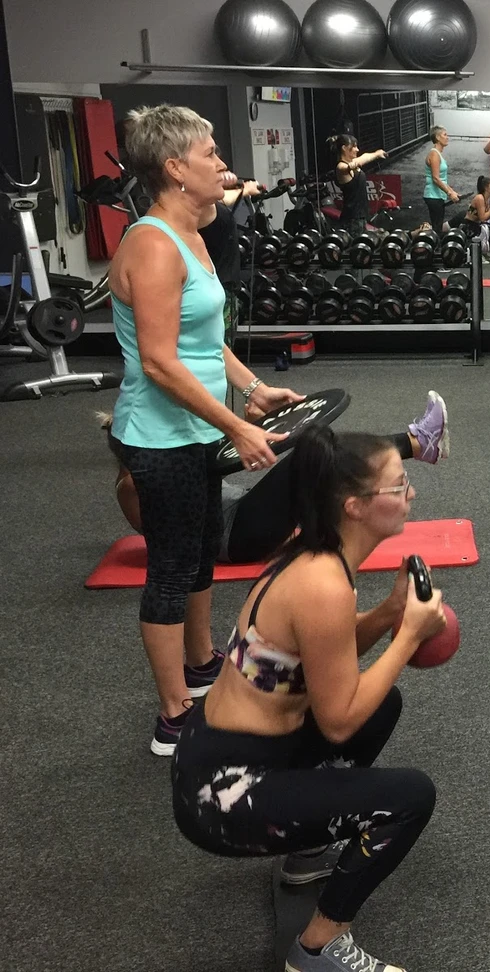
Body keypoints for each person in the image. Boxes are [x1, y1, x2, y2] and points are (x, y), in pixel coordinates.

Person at [171, 423, 445, 972]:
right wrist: (409, 638)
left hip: (231, 752)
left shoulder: (316, 555)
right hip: (221, 794)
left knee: (383, 705)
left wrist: (390, 613)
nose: (411, 493)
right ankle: (317, 948)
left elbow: (324, 658)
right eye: (399, 486)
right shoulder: (322, 585)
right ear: (355, 507)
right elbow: (339, 721)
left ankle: (306, 853)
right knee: (411, 797)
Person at [110, 104, 304, 757]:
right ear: (175, 168)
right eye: (210, 153)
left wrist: (251, 389)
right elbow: (160, 361)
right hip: (159, 436)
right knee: (170, 569)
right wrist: (236, 426)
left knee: (199, 553)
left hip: (196, 428)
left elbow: (201, 338)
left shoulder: (192, 232)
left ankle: (198, 664)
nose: (223, 164)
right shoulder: (152, 244)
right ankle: (172, 716)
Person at [104, 391, 448, 566]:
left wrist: (254, 425)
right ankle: (417, 443)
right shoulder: (132, 486)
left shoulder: (166, 464)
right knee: (310, 455)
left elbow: (215, 459)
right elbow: (178, 533)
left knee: (317, 466)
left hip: (242, 512)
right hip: (236, 539)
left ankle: (418, 444)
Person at [200, 173, 261, 342]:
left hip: (225, 286)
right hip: (217, 288)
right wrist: (244, 190)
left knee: (224, 346)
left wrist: (241, 189)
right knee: (219, 345)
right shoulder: (201, 205)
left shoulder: (209, 202)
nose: (219, 165)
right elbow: (217, 201)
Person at [330, 134, 387, 238]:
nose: (357, 149)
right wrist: (351, 166)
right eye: (354, 146)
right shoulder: (341, 166)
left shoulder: (353, 162)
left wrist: (377, 153)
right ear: (344, 148)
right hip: (351, 220)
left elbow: (365, 156)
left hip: (360, 218)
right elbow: (348, 166)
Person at [422, 126, 459, 234]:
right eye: (445, 135)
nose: (447, 137)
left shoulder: (438, 154)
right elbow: (436, 178)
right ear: (438, 137)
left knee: (438, 227)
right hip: (433, 195)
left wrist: (452, 191)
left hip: (438, 195)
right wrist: (449, 193)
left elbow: (442, 179)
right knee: (437, 228)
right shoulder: (434, 154)